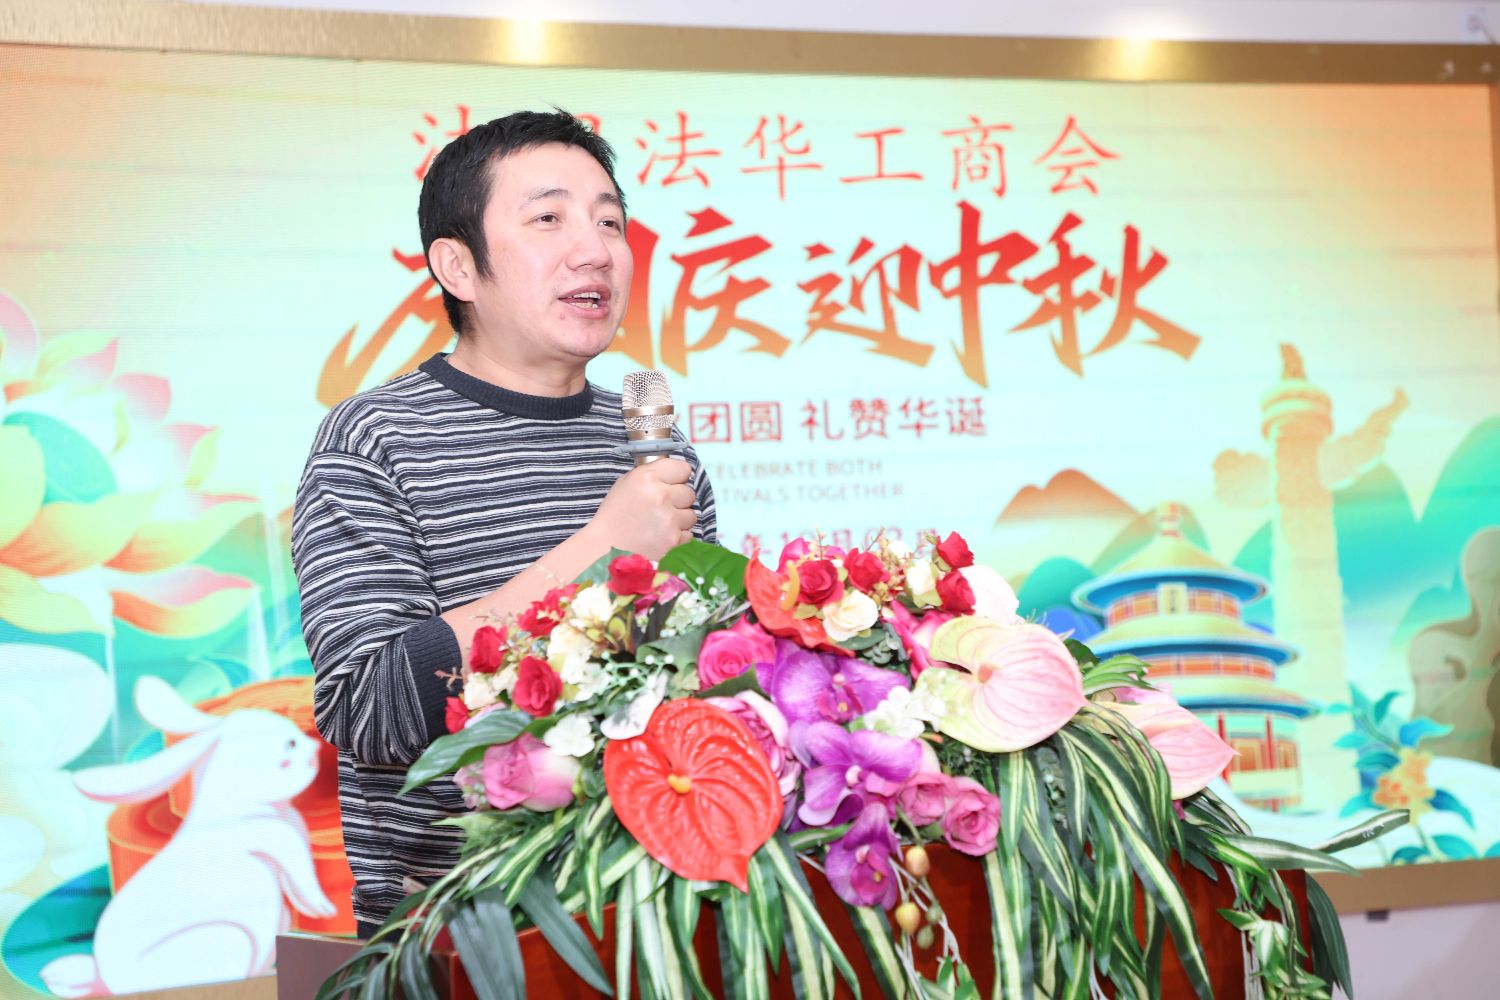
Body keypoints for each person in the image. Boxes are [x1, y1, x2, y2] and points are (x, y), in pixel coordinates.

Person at [291, 110, 717, 937]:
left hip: (658, 921)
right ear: (457, 265)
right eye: (549, 218)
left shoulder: (658, 454)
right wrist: (601, 550)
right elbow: (367, 707)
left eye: (609, 222)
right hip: (466, 940)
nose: (594, 250)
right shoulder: (374, 440)